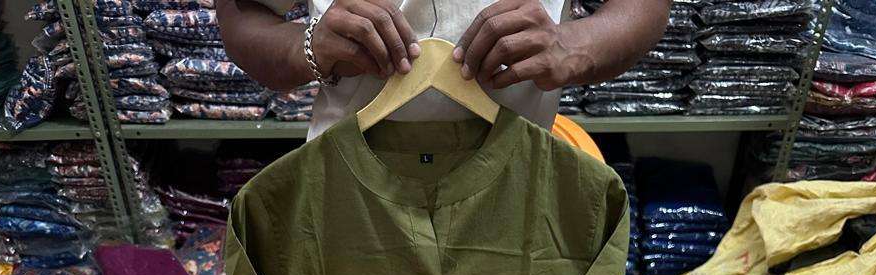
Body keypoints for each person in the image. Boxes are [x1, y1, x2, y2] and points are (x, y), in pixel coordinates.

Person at [217, 0, 672, 139]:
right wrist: (308, 46)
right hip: (347, 193)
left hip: (516, 185)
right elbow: (243, 14)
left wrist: (574, 45)